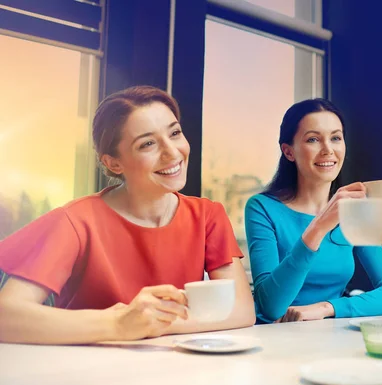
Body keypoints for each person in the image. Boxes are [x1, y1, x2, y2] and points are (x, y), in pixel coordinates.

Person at [0, 86, 255, 344]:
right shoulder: (75, 221)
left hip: (176, 372)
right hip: (84, 372)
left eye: (175, 133)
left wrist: (150, 324)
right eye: (148, 144)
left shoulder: (207, 215)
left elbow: (242, 310)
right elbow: (5, 316)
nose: (172, 152)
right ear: (113, 163)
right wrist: (118, 325)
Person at [245, 98, 382, 324]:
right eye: (313, 139)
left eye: (336, 138)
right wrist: (319, 227)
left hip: (330, 337)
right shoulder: (262, 208)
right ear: (289, 151)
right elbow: (271, 306)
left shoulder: (354, 211)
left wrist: (326, 308)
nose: (328, 150)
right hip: (275, 339)